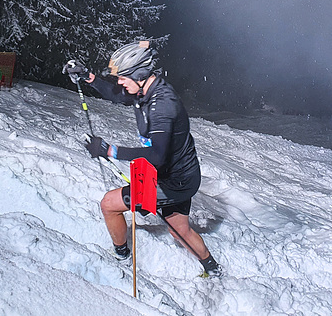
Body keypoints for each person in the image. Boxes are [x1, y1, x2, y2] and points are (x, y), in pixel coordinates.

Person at [63, 41, 222, 277]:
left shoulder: (162, 106)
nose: (119, 82)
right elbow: (116, 95)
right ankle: (213, 268)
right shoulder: (144, 91)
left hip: (174, 181)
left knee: (109, 204)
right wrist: (88, 76)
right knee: (179, 232)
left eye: (124, 78)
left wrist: (110, 151)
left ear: (139, 75)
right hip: (181, 175)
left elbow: (157, 155)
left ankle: (122, 256)